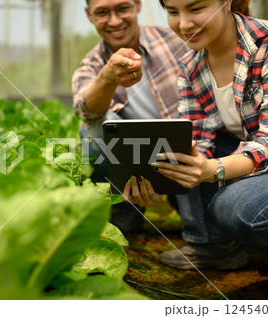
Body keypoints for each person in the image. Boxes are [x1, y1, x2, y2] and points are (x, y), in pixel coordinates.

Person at [125, 0, 268, 291]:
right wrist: (159, 180)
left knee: (236, 208)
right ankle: (213, 248)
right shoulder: (191, 65)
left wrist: (212, 169)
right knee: (178, 156)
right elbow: (197, 139)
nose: (183, 24)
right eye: (172, 12)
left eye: (196, 9)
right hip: (260, 153)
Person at [72, 0, 189, 234]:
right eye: (102, 13)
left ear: (137, 5)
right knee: (92, 130)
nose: (115, 21)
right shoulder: (92, 63)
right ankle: (126, 206)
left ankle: (186, 203)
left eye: (122, 8)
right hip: (132, 159)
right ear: (89, 15)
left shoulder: (176, 42)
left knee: (212, 219)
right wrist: (107, 77)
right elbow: (85, 110)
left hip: (184, 152)